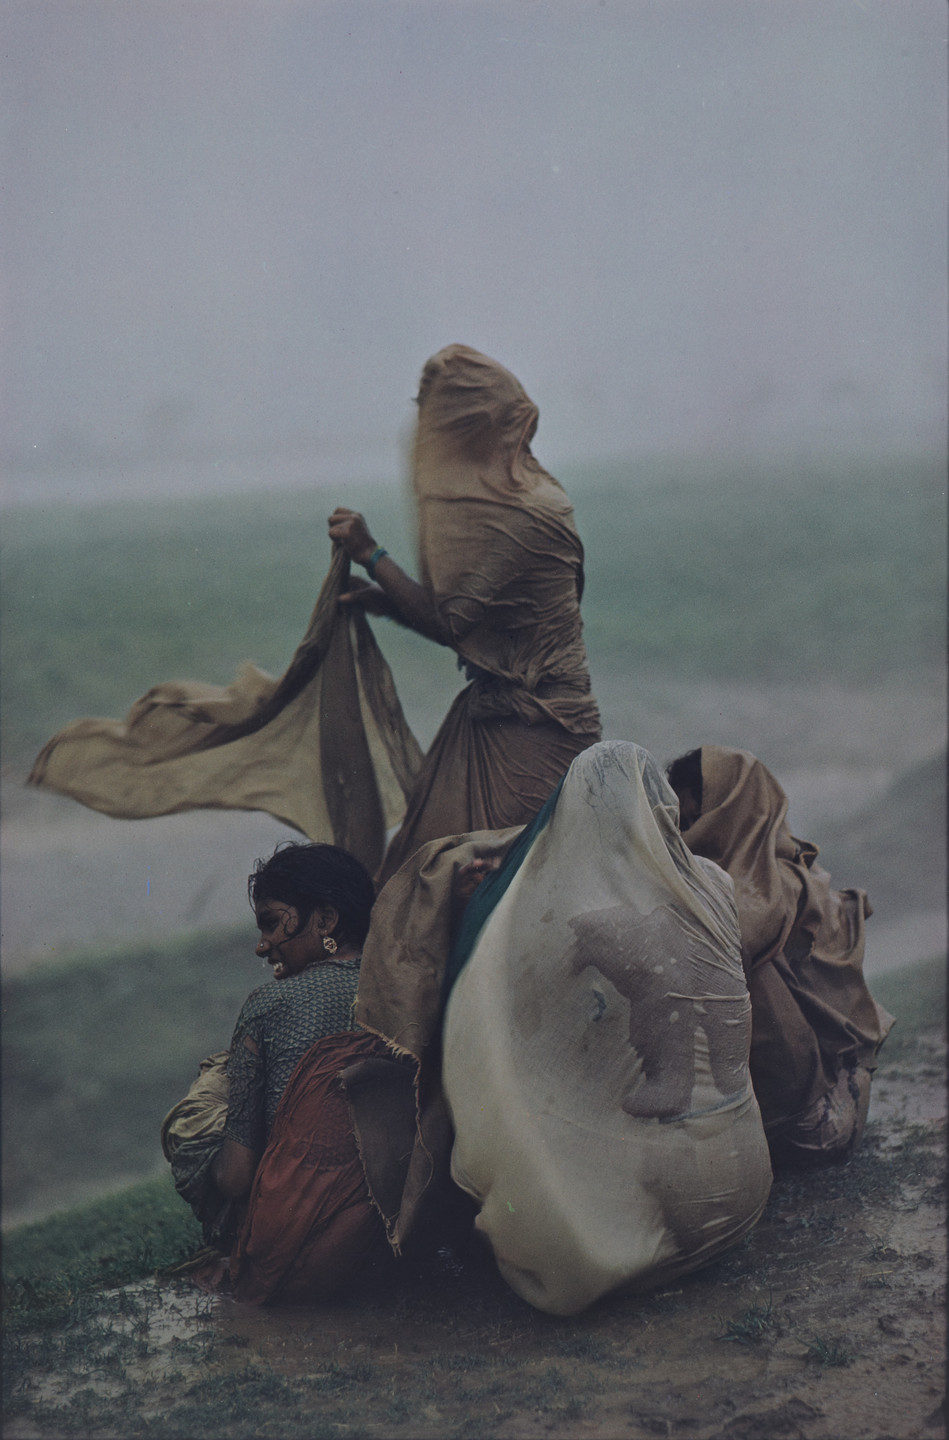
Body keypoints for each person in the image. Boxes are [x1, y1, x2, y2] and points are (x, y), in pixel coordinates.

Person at [356, 741, 773, 1316]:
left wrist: (479, 906)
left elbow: (504, 1008)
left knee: (519, 1169)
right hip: (747, 1194)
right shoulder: (715, 888)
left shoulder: (580, 921)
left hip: (664, 1202)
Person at [328, 343, 602, 885]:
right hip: (492, 719)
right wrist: (389, 603)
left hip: (538, 732)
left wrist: (371, 554)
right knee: (416, 880)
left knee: (499, 889)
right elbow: (464, 621)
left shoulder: (530, 512)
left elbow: (454, 622)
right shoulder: (510, 498)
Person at [163, 841, 405, 1304]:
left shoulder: (267, 1005)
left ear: (326, 920)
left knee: (204, 1103)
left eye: (273, 923)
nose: (262, 945)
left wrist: (199, 1154)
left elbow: (235, 1178)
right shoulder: (408, 990)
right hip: (393, 1240)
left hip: (290, 1253)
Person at [665, 745, 894, 1170]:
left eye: (692, 812)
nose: (681, 825)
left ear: (726, 806)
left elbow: (731, 941)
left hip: (813, 1128)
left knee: (725, 961)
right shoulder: (778, 875)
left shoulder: (768, 891)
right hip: (829, 1097)